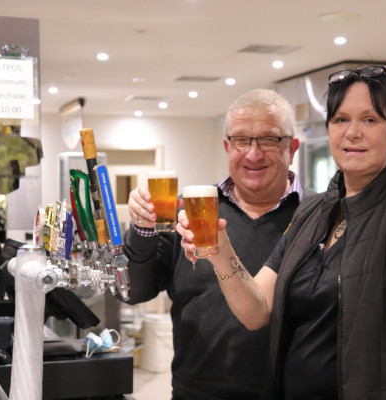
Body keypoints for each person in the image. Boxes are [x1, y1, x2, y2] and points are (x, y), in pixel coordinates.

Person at [179, 66, 386, 399]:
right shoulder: (312, 212)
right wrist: (220, 251)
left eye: (370, 119)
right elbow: (256, 310)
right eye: (341, 119)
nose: (352, 133)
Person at [124, 88, 314, 399]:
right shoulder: (190, 213)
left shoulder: (319, 216)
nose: (253, 154)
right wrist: (142, 228)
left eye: (269, 139)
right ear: (227, 146)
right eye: (241, 140)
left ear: (292, 148)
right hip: (196, 393)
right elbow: (134, 292)